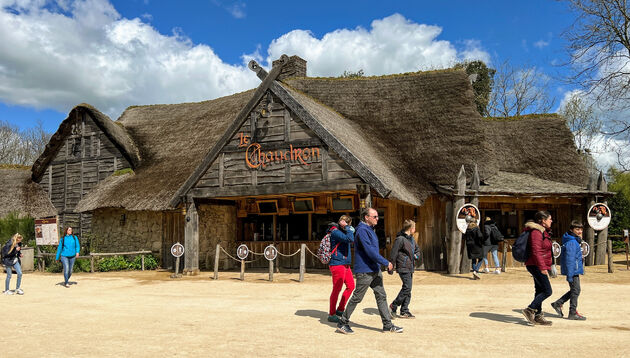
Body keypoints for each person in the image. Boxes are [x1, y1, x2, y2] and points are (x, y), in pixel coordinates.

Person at [336, 207, 403, 334]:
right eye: (375, 216)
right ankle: (343, 322)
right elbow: (370, 252)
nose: (378, 218)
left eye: (378, 216)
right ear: (367, 217)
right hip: (365, 271)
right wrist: (386, 262)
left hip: (374, 269)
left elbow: (372, 251)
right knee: (357, 297)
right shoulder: (362, 230)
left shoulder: (370, 229)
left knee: (381, 295)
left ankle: (388, 325)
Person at [521, 211, 554, 326]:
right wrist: (542, 267)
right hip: (535, 265)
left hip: (538, 264)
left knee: (539, 290)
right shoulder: (536, 232)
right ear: (543, 220)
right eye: (550, 219)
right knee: (547, 291)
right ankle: (530, 309)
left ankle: (538, 315)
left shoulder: (543, 232)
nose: (551, 221)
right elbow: (536, 251)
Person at [550, 221, 586, 320]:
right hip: (573, 270)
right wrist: (570, 275)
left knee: (575, 290)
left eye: (581, 229)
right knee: (576, 290)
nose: (580, 231)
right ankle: (572, 312)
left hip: (574, 269)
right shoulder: (572, 242)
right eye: (577, 229)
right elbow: (570, 259)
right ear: (571, 230)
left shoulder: (573, 240)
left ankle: (558, 303)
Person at [327, 215, 356, 323]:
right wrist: (348, 228)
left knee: (351, 286)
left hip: (345, 263)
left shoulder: (343, 231)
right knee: (337, 289)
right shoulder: (334, 231)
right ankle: (331, 313)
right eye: (346, 223)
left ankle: (340, 309)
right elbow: (350, 239)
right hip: (337, 263)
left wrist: (348, 229)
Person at [389, 219, 420, 319]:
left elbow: (417, 250)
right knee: (407, 287)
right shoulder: (400, 239)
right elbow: (394, 253)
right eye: (414, 228)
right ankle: (393, 305)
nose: (415, 229)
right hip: (403, 266)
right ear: (411, 229)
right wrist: (391, 266)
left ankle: (404, 311)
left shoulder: (412, 239)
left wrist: (416, 256)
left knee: (408, 289)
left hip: (410, 266)